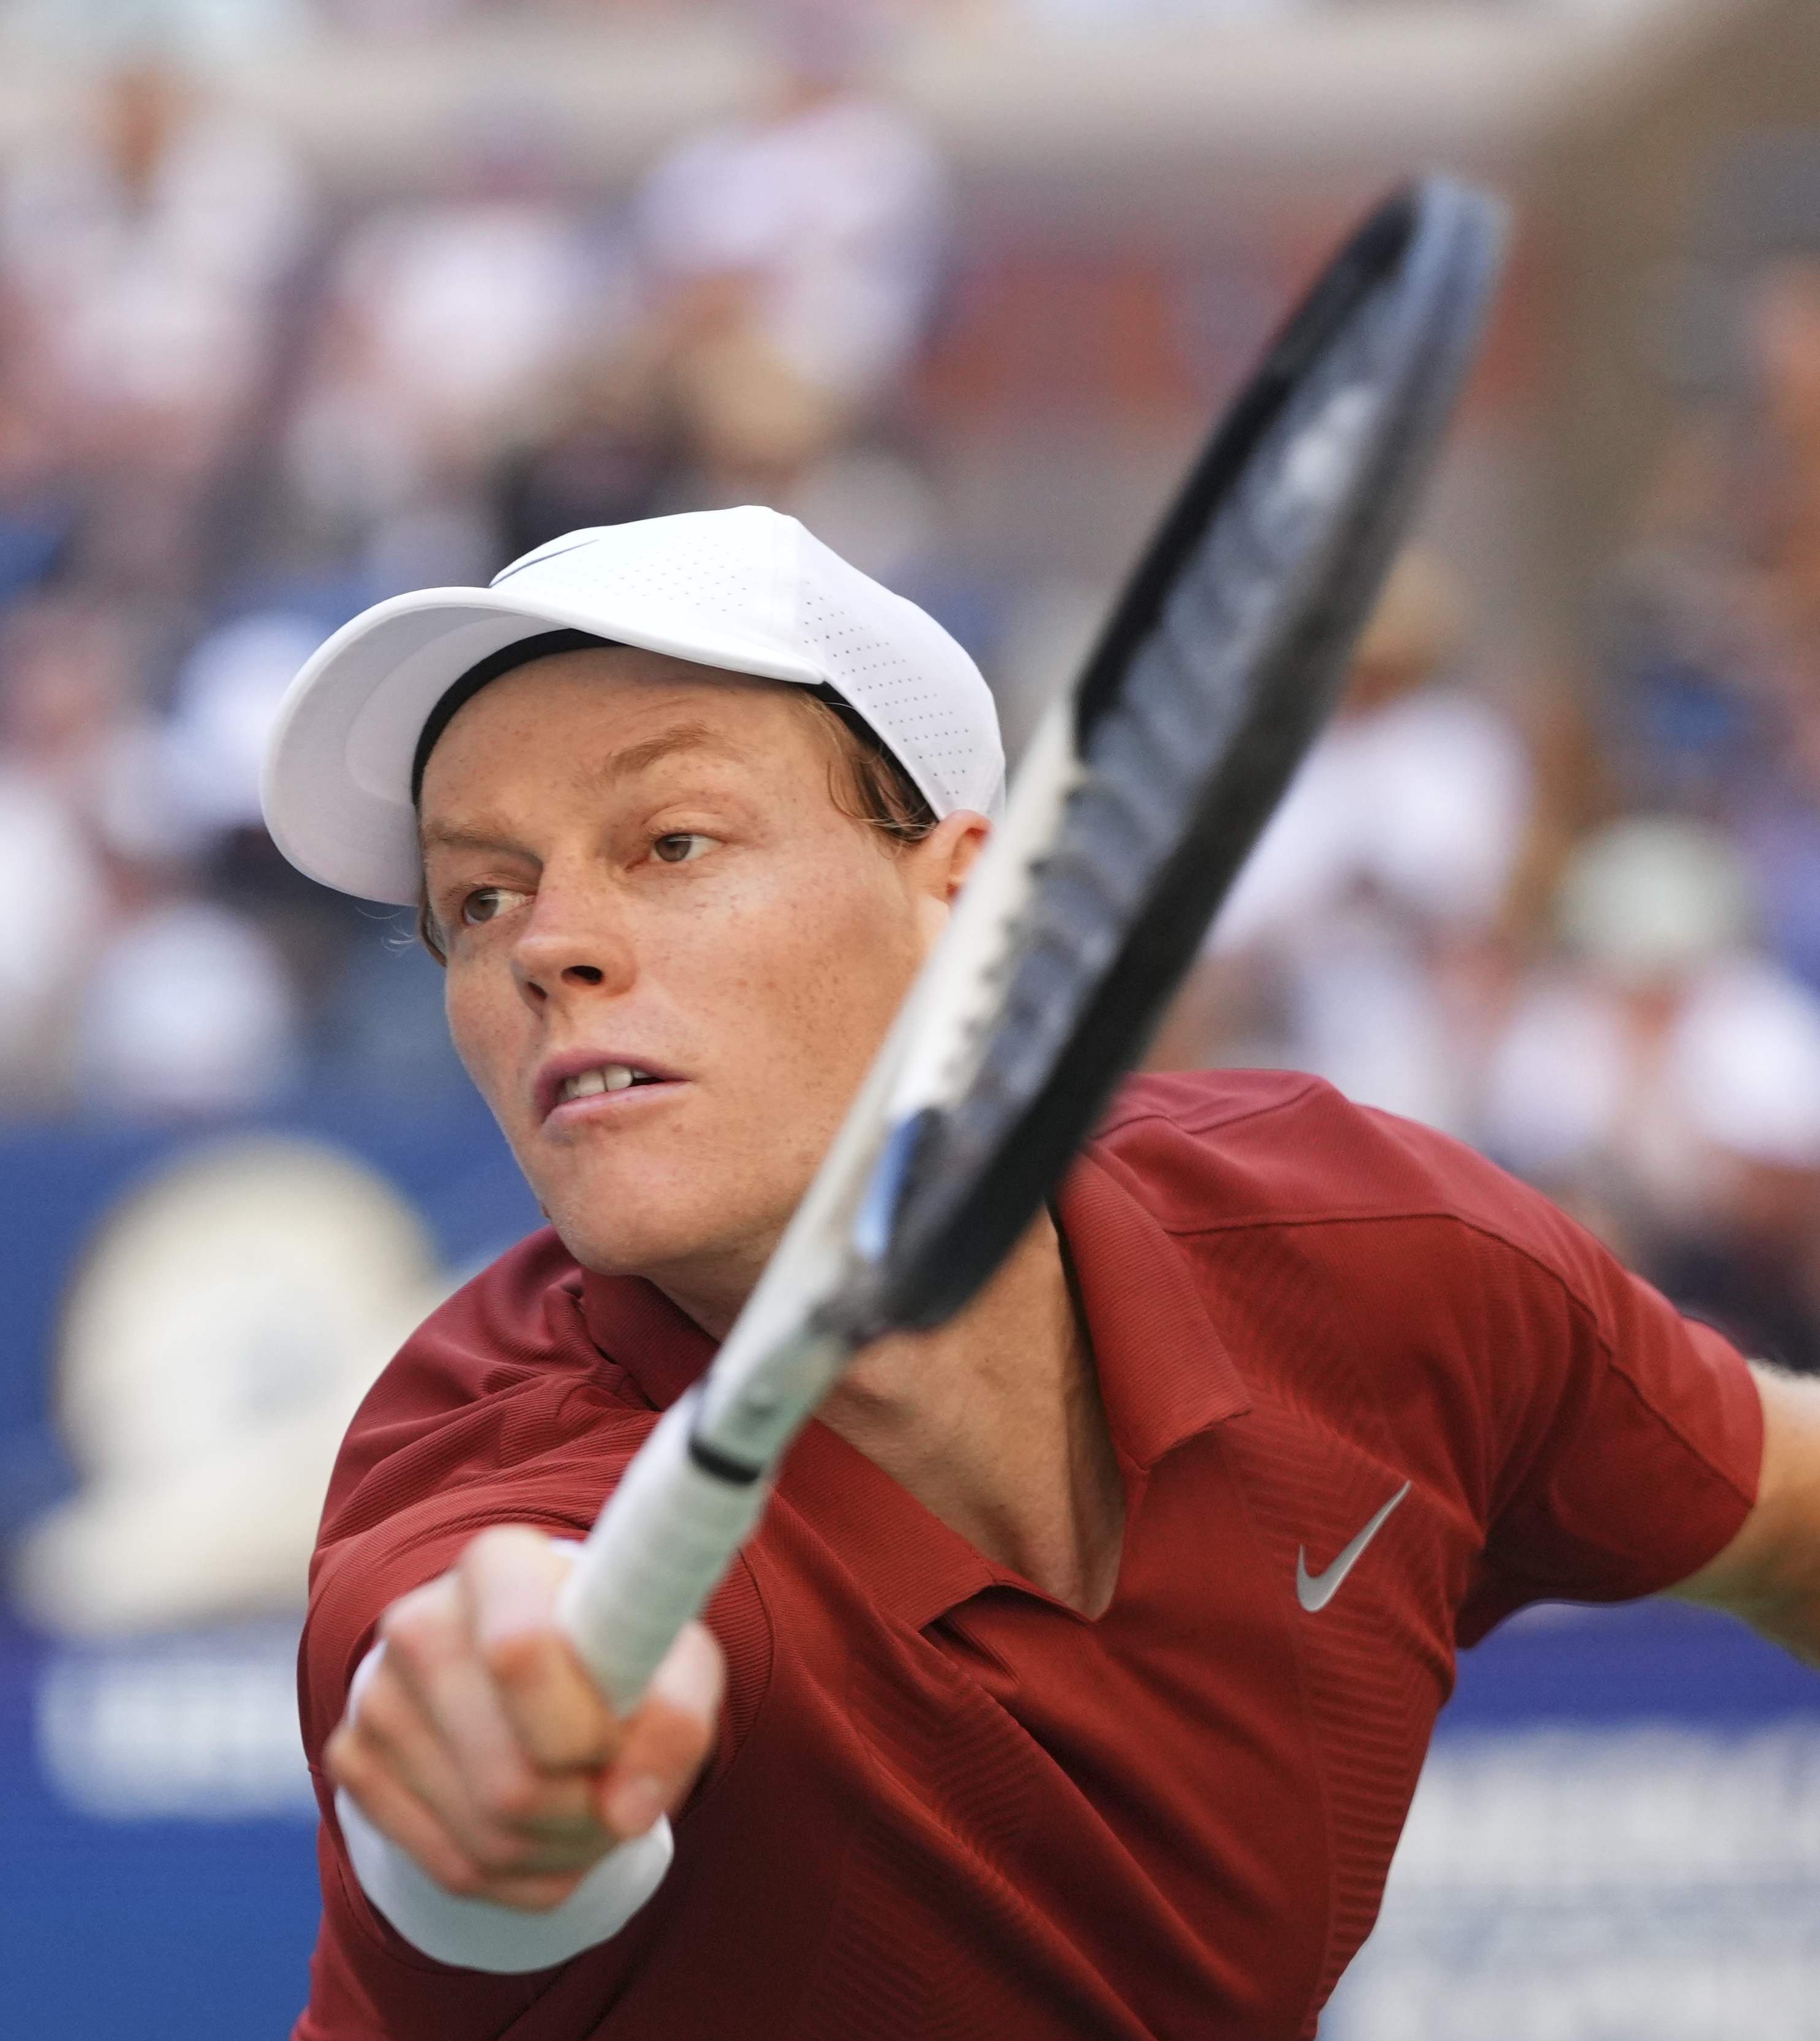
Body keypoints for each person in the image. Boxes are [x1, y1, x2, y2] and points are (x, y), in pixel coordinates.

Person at [253, 506, 1820, 2035]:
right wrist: (495, 1776)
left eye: (671, 840)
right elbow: (461, 1753)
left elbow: (1787, 1515)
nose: (544, 945)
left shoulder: (1377, 1259)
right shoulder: (482, 1481)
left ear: (964, 900)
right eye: (478, 895)